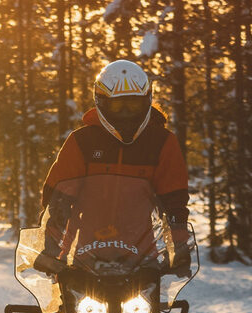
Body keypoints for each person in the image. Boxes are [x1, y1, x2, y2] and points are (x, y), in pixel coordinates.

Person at [39, 59, 191, 274]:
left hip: (142, 258)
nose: (126, 114)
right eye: (118, 105)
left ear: (147, 101)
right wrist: (50, 249)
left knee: (153, 307)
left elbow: (175, 202)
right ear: (101, 102)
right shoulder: (82, 141)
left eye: (133, 105)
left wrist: (179, 248)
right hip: (85, 254)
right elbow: (58, 198)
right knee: (69, 304)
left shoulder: (161, 142)